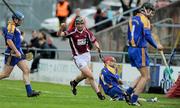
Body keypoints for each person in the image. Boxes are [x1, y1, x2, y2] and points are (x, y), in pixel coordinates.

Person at [57, 16, 105, 100]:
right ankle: (99, 94)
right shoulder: (71, 32)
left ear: (84, 24)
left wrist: (98, 46)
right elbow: (59, 35)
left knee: (84, 75)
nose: (80, 25)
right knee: (90, 76)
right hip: (78, 57)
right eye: (78, 24)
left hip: (87, 55)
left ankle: (74, 83)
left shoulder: (87, 31)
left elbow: (94, 40)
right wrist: (61, 28)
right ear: (75, 25)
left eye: (81, 24)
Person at [127, 2, 163, 106]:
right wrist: (157, 46)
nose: (152, 14)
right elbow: (147, 35)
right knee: (146, 77)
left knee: (143, 75)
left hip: (131, 49)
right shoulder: (145, 20)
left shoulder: (132, 18)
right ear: (146, 9)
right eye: (152, 11)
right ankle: (133, 100)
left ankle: (128, 93)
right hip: (139, 50)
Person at [0, 11, 40, 97]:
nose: (22, 21)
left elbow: (16, 41)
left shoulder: (14, 26)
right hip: (12, 54)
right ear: (15, 19)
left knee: (26, 70)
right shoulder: (11, 26)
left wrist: (20, 51)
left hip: (18, 52)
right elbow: (9, 41)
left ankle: (29, 92)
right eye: (20, 20)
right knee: (5, 74)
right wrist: (17, 51)